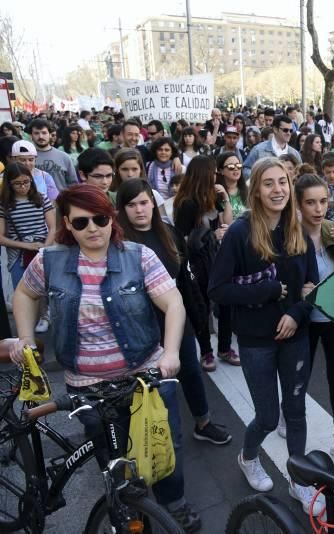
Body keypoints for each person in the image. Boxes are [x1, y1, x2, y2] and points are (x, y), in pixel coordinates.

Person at [9, 184, 201, 532]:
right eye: (80, 223)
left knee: (163, 445)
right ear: (67, 224)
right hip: (86, 384)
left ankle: (174, 502)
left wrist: (171, 353)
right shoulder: (50, 260)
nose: (92, 228)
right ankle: (129, 511)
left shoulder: (138, 256)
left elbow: (173, 303)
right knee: (113, 459)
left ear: (112, 219)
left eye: (100, 219)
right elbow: (24, 292)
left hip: (145, 376)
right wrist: (25, 337)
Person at [207, 158, 321, 514]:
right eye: (269, 183)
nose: (278, 190)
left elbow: (313, 287)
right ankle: (248, 456)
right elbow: (218, 289)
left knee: (297, 410)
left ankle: (299, 481)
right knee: (269, 417)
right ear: (255, 190)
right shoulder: (240, 233)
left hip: (296, 335)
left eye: (283, 182)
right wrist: (269, 291)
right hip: (256, 341)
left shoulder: (298, 230)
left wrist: (294, 311)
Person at [115, 178, 232, 448]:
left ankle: (203, 422)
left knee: (190, 371)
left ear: (153, 204)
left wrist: (198, 316)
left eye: (144, 203)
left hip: (175, 319)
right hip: (139, 326)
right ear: (122, 209)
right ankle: (155, 438)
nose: (139, 210)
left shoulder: (168, 232)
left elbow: (185, 279)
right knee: (150, 384)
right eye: (131, 205)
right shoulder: (118, 241)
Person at [294, 173, 334, 459]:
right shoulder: (288, 236)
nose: (318, 209)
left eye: (322, 201)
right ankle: (288, 418)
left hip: (333, 319)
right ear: (298, 204)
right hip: (304, 320)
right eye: (310, 203)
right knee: (298, 378)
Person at [173, 155, 236, 371]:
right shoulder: (187, 203)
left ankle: (225, 348)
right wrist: (211, 234)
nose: (215, 175)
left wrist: (225, 197)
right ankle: (207, 351)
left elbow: (227, 221)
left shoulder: (214, 195)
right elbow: (184, 239)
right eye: (212, 171)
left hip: (217, 257)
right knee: (200, 306)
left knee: (226, 301)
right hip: (194, 263)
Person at [0, 162, 56, 290]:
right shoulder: (4, 205)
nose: (23, 186)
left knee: (45, 295)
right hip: (18, 255)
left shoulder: (41, 198)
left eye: (26, 181)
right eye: (17, 183)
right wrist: (27, 245)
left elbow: (52, 227)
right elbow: (1, 238)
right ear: (9, 184)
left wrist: (45, 248)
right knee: (22, 292)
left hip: (42, 251)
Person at [111, 148, 169, 220]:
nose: (130, 174)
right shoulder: (110, 196)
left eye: (134, 169)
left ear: (141, 170)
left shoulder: (153, 194)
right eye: (124, 169)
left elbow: (163, 221)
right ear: (117, 171)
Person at [29, 118, 78, 191]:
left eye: (44, 133)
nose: (40, 136)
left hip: (61, 200)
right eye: (36, 133)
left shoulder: (64, 157)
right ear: (31, 136)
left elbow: (73, 184)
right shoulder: (26, 158)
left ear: (50, 135)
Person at [216, 151, 248, 219]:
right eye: (231, 166)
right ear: (221, 171)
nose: (236, 169)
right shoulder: (217, 193)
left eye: (238, 165)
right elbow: (225, 224)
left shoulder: (249, 191)